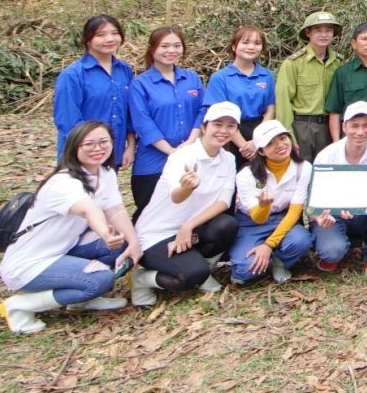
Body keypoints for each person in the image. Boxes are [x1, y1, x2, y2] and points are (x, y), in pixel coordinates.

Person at [0, 121, 140, 333]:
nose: (98, 148)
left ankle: (82, 300)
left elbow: (115, 210)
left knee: (124, 244)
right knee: (100, 279)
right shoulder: (63, 182)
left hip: (64, 249)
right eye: (89, 144)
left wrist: (134, 242)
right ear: (74, 147)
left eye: (104, 142)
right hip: (31, 263)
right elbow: (88, 209)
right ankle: (19, 306)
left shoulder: (105, 173)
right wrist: (104, 232)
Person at [130, 102, 240, 306]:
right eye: (218, 124)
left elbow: (224, 201)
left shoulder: (229, 159)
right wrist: (187, 187)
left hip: (189, 228)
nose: (223, 131)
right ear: (205, 127)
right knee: (191, 275)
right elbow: (176, 197)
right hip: (157, 234)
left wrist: (187, 227)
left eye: (231, 126)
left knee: (227, 225)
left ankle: (202, 269)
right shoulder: (182, 157)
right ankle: (142, 279)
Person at [310, 102, 367, 282]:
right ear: (344, 126)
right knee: (332, 252)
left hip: (363, 205)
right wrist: (326, 214)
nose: (360, 131)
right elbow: (314, 204)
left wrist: (354, 203)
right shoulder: (327, 156)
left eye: (366, 125)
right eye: (354, 125)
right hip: (332, 212)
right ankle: (339, 246)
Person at [128, 26, 206, 212]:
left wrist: (190, 142)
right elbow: (142, 122)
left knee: (188, 211)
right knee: (149, 212)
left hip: (190, 155)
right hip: (154, 160)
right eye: (164, 46)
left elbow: (202, 111)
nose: (171, 51)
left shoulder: (192, 78)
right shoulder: (140, 84)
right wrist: (172, 152)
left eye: (177, 46)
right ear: (152, 49)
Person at [228, 118, 313, 286]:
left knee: (301, 241)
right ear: (260, 151)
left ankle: (278, 260)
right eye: (271, 143)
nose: (280, 145)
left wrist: (268, 245)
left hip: (282, 217)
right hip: (250, 223)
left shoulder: (303, 167)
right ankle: (262, 258)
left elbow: (295, 212)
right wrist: (263, 207)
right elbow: (258, 218)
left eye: (283, 138)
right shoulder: (246, 175)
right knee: (244, 272)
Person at [52, 14, 134, 170]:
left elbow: (130, 114)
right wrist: (91, 148)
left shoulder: (124, 71)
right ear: (87, 40)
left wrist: (130, 146)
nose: (110, 39)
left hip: (112, 154)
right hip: (80, 157)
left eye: (115, 33)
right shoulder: (73, 75)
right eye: (101, 35)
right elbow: (67, 120)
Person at [275, 10, 342, 161]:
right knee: (301, 171)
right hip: (302, 127)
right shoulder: (293, 63)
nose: (324, 34)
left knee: (327, 171)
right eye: (318, 30)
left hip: (329, 126)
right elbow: (283, 101)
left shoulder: (338, 62)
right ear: (308, 33)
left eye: (328, 30)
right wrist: (286, 134)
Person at [204, 26, 275, 155]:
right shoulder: (220, 78)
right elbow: (217, 115)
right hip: (229, 134)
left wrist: (257, 141)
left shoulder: (267, 75)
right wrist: (245, 147)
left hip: (260, 131)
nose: (251, 47)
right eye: (245, 42)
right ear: (234, 46)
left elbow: (270, 109)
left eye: (257, 43)